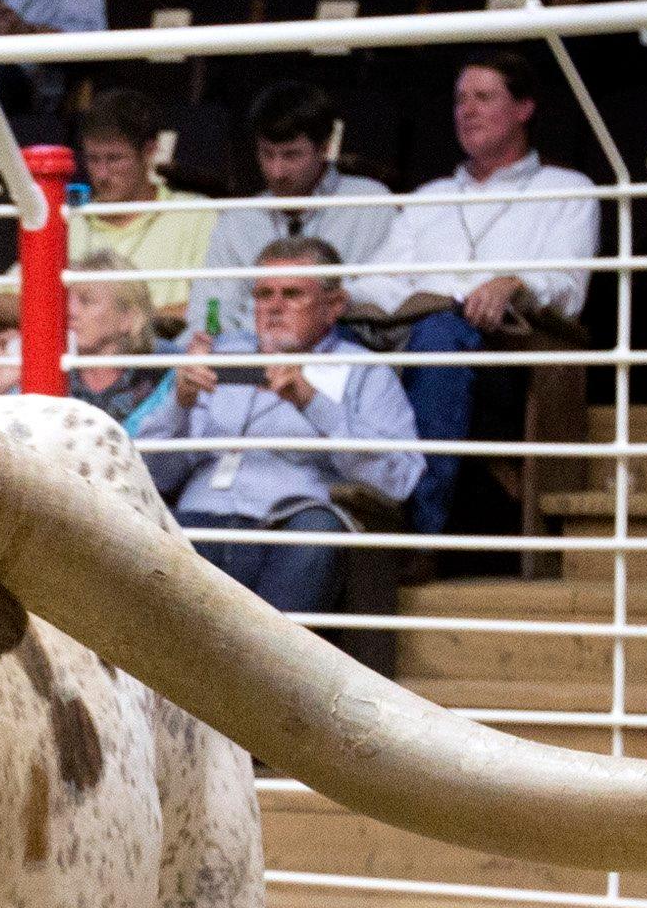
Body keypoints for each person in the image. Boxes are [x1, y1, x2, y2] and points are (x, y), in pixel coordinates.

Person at [349, 51, 599, 535]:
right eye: (461, 99)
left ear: (523, 108)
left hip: (503, 360)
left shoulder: (567, 189)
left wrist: (515, 284)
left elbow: (569, 288)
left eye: (483, 97)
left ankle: (416, 532)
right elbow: (379, 280)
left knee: (441, 335)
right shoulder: (430, 197)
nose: (467, 110)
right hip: (411, 344)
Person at [137, 236, 423, 618]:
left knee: (312, 537)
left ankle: (260, 678)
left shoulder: (362, 369)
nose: (274, 308)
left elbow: (399, 479)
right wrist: (179, 404)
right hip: (199, 520)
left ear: (333, 306)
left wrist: (311, 402)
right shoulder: (218, 357)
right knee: (146, 537)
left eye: (292, 295)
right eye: (263, 295)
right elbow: (153, 475)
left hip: (288, 522)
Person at [200, 80, 395, 339]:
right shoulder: (238, 220)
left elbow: (388, 298)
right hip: (247, 353)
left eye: (291, 155)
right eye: (267, 155)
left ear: (325, 147)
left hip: (336, 349)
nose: (276, 172)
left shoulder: (371, 204)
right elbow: (211, 309)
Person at [73, 87, 215, 337]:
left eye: (115, 159)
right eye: (93, 160)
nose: (102, 174)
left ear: (150, 151)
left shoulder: (197, 215)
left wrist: (111, 324)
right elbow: (3, 299)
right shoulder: (69, 220)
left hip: (167, 358)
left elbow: (215, 309)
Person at [66, 248, 175, 430]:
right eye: (66, 300)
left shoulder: (161, 377)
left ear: (127, 318)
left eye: (87, 301)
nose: (70, 311)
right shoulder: (50, 371)